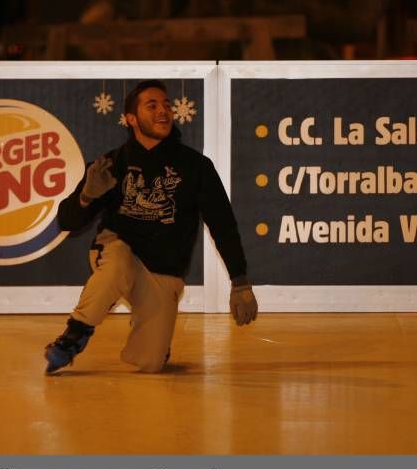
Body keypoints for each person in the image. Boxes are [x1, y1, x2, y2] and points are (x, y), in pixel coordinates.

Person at [46, 80, 258, 375]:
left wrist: (240, 281)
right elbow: (67, 221)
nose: (164, 111)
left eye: (167, 105)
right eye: (152, 105)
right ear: (131, 119)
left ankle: (151, 324)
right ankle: (75, 334)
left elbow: (223, 224)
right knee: (118, 263)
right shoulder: (111, 164)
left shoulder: (196, 167)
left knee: (150, 363)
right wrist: (86, 196)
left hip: (162, 270)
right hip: (117, 252)